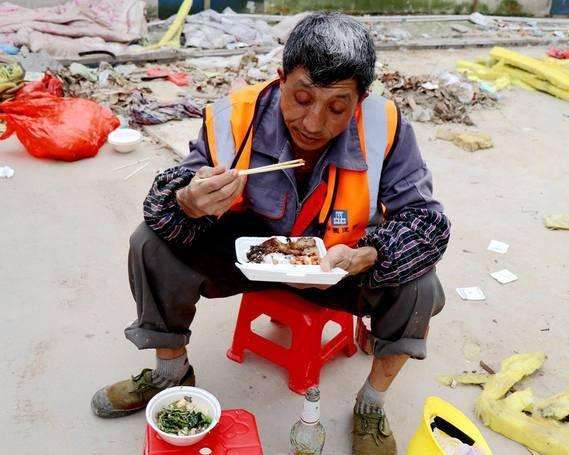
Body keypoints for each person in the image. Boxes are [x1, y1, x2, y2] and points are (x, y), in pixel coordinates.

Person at [91, 12, 450, 455]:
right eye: (301, 98)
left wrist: (371, 253)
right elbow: (168, 199)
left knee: (421, 285)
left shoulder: (385, 128)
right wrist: (187, 200)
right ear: (281, 79)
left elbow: (427, 222)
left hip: (338, 262)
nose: (314, 123)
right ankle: (171, 373)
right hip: (249, 256)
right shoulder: (233, 117)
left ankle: (371, 405)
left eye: (337, 107)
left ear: (361, 99)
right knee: (151, 242)